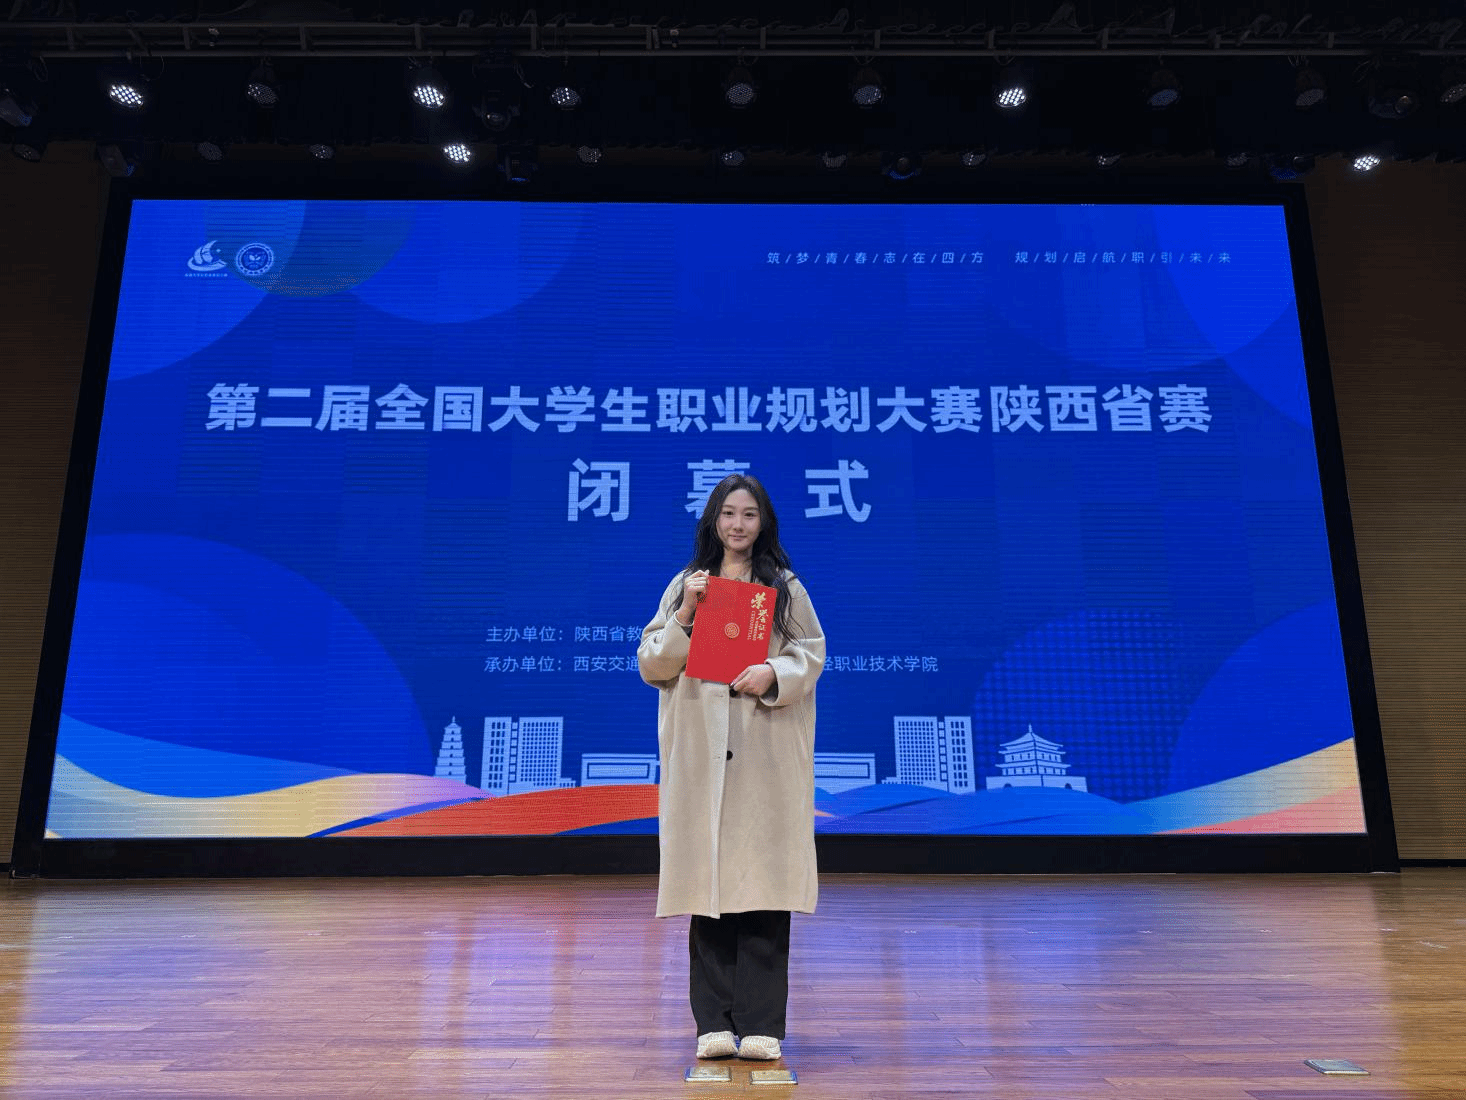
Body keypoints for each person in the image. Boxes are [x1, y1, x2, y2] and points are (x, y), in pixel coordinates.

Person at [637, 473, 826, 1063]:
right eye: (727, 513)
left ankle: (762, 1023)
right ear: (713, 521)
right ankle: (713, 1022)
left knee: (764, 888)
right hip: (703, 758)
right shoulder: (687, 584)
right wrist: (686, 614)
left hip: (762, 754)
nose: (737, 525)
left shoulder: (783, 586)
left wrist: (774, 672)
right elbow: (652, 664)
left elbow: (811, 654)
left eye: (748, 514)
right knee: (709, 887)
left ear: (762, 522)